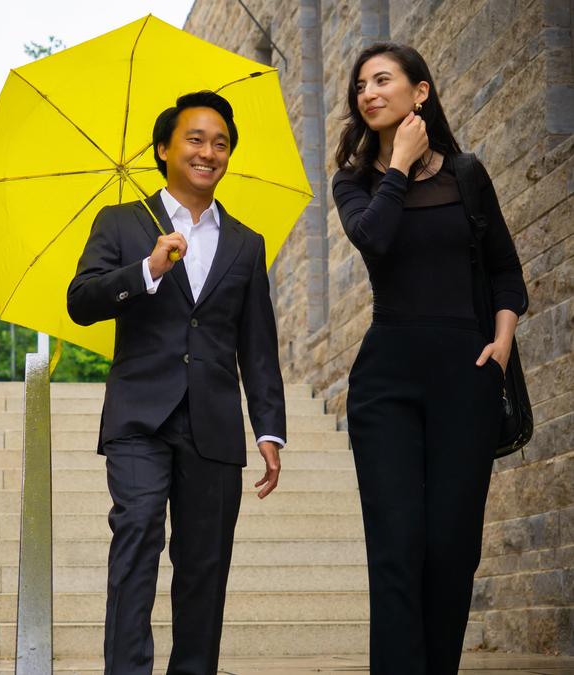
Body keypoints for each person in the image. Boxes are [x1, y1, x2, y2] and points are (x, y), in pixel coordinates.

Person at [67, 91, 286, 675]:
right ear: (164, 149)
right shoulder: (121, 221)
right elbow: (81, 302)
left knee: (205, 566)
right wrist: (148, 270)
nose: (208, 152)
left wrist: (269, 429)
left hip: (214, 423)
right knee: (137, 532)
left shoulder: (246, 242)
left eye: (220, 143)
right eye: (195, 139)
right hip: (139, 417)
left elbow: (257, 344)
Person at [331, 43, 527, 674]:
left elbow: (505, 270)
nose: (367, 93)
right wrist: (398, 165)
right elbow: (374, 240)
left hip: (466, 376)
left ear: (420, 92)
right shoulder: (354, 181)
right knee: (395, 549)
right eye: (360, 85)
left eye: (381, 80)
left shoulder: (466, 174)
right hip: (386, 381)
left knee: (451, 548)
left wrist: (501, 343)